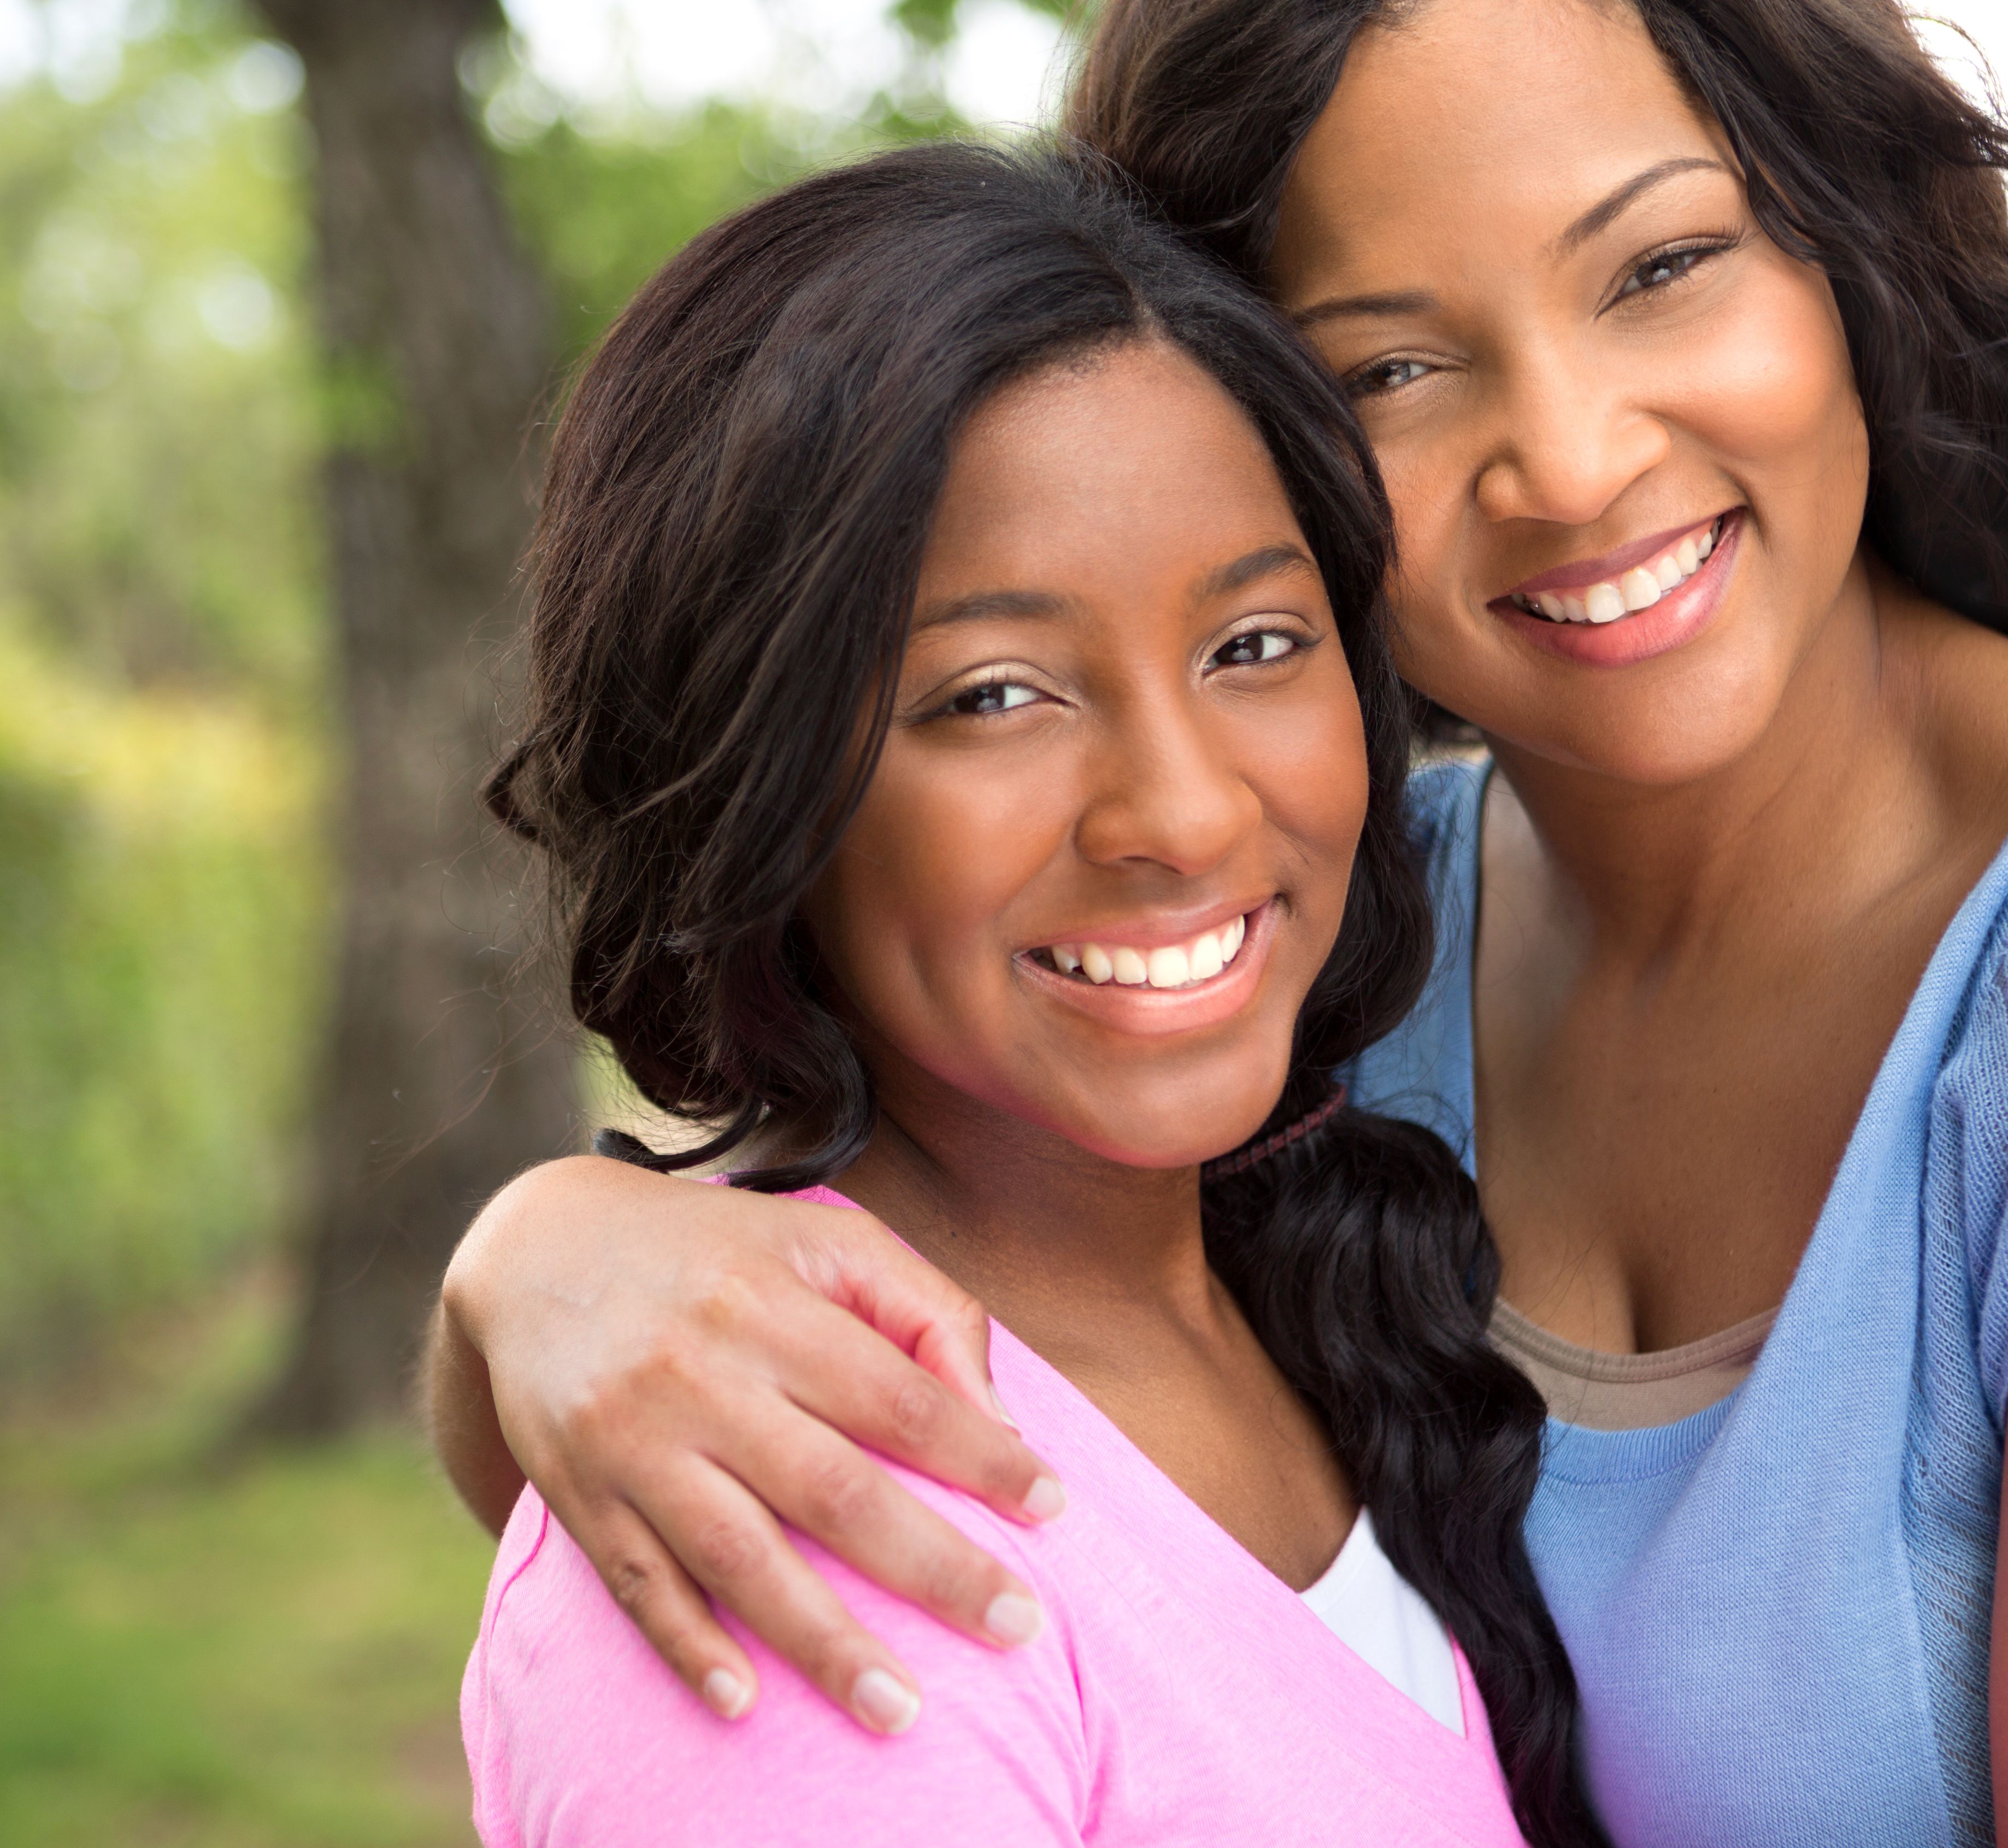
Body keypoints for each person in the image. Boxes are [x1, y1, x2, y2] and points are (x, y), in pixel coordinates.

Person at [431, 0, 2008, 1846]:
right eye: (1395, 366)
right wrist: (532, 1271)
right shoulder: (1327, 947)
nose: (1575, 465)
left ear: (1850, 262)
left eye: (1663, 267)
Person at [463, 140, 1562, 1844]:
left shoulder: (1312, 1278)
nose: (1186, 812)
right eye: (992, 696)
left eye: (1255, 647)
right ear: (757, 779)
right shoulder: (795, 1510)